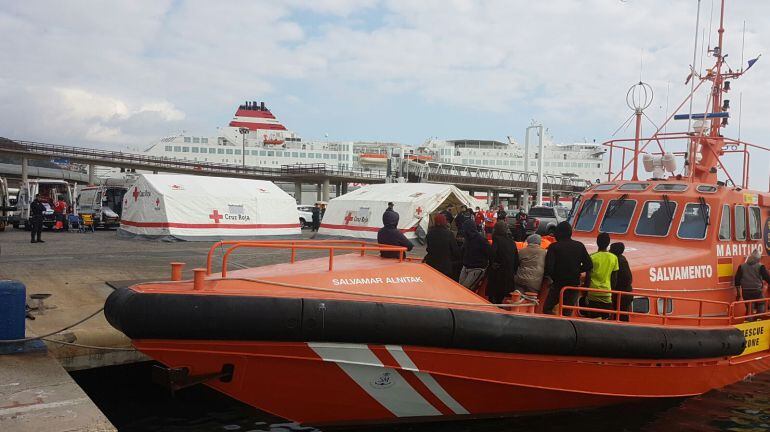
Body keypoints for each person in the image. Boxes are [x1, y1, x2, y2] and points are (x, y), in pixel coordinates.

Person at [543, 221, 592, 315]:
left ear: (558, 233)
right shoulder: (579, 245)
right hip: (573, 285)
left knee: (547, 309)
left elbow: (549, 268)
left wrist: (553, 277)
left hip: (558, 285)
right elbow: (589, 265)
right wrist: (577, 269)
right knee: (567, 312)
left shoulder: (553, 247)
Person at [583, 233, 619, 318]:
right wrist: (611, 291)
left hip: (593, 293)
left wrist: (585, 292)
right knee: (605, 318)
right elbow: (614, 279)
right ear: (608, 243)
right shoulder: (614, 258)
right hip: (606, 293)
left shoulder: (592, 257)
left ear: (597, 242)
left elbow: (588, 277)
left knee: (593, 318)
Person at [487, 222, 519, 304]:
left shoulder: (497, 239)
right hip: (509, 274)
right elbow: (516, 259)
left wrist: (492, 264)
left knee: (494, 297)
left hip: (498, 273)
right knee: (502, 297)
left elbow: (492, 254)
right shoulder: (512, 242)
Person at [424, 214, 461, 279]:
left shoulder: (430, 233)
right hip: (445, 267)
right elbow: (455, 251)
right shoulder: (449, 234)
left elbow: (428, 248)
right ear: (444, 222)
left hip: (431, 264)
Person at [735, 249, 770, 317]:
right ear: (758, 258)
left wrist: (738, 293)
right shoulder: (760, 266)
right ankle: (759, 318)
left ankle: (749, 319)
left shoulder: (741, 266)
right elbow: (767, 278)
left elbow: (737, 280)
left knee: (749, 306)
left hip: (745, 291)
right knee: (762, 303)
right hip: (757, 290)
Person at [458, 219, 491, 290]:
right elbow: (463, 251)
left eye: (465, 229)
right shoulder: (467, 239)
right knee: (460, 287)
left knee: (465, 289)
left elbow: (489, 253)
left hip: (477, 268)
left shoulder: (481, 240)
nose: (463, 231)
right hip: (466, 266)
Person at [609, 242, 633, 322]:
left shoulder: (619, 261)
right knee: (621, 314)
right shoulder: (622, 259)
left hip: (622, 294)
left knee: (621, 315)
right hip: (625, 292)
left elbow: (626, 279)